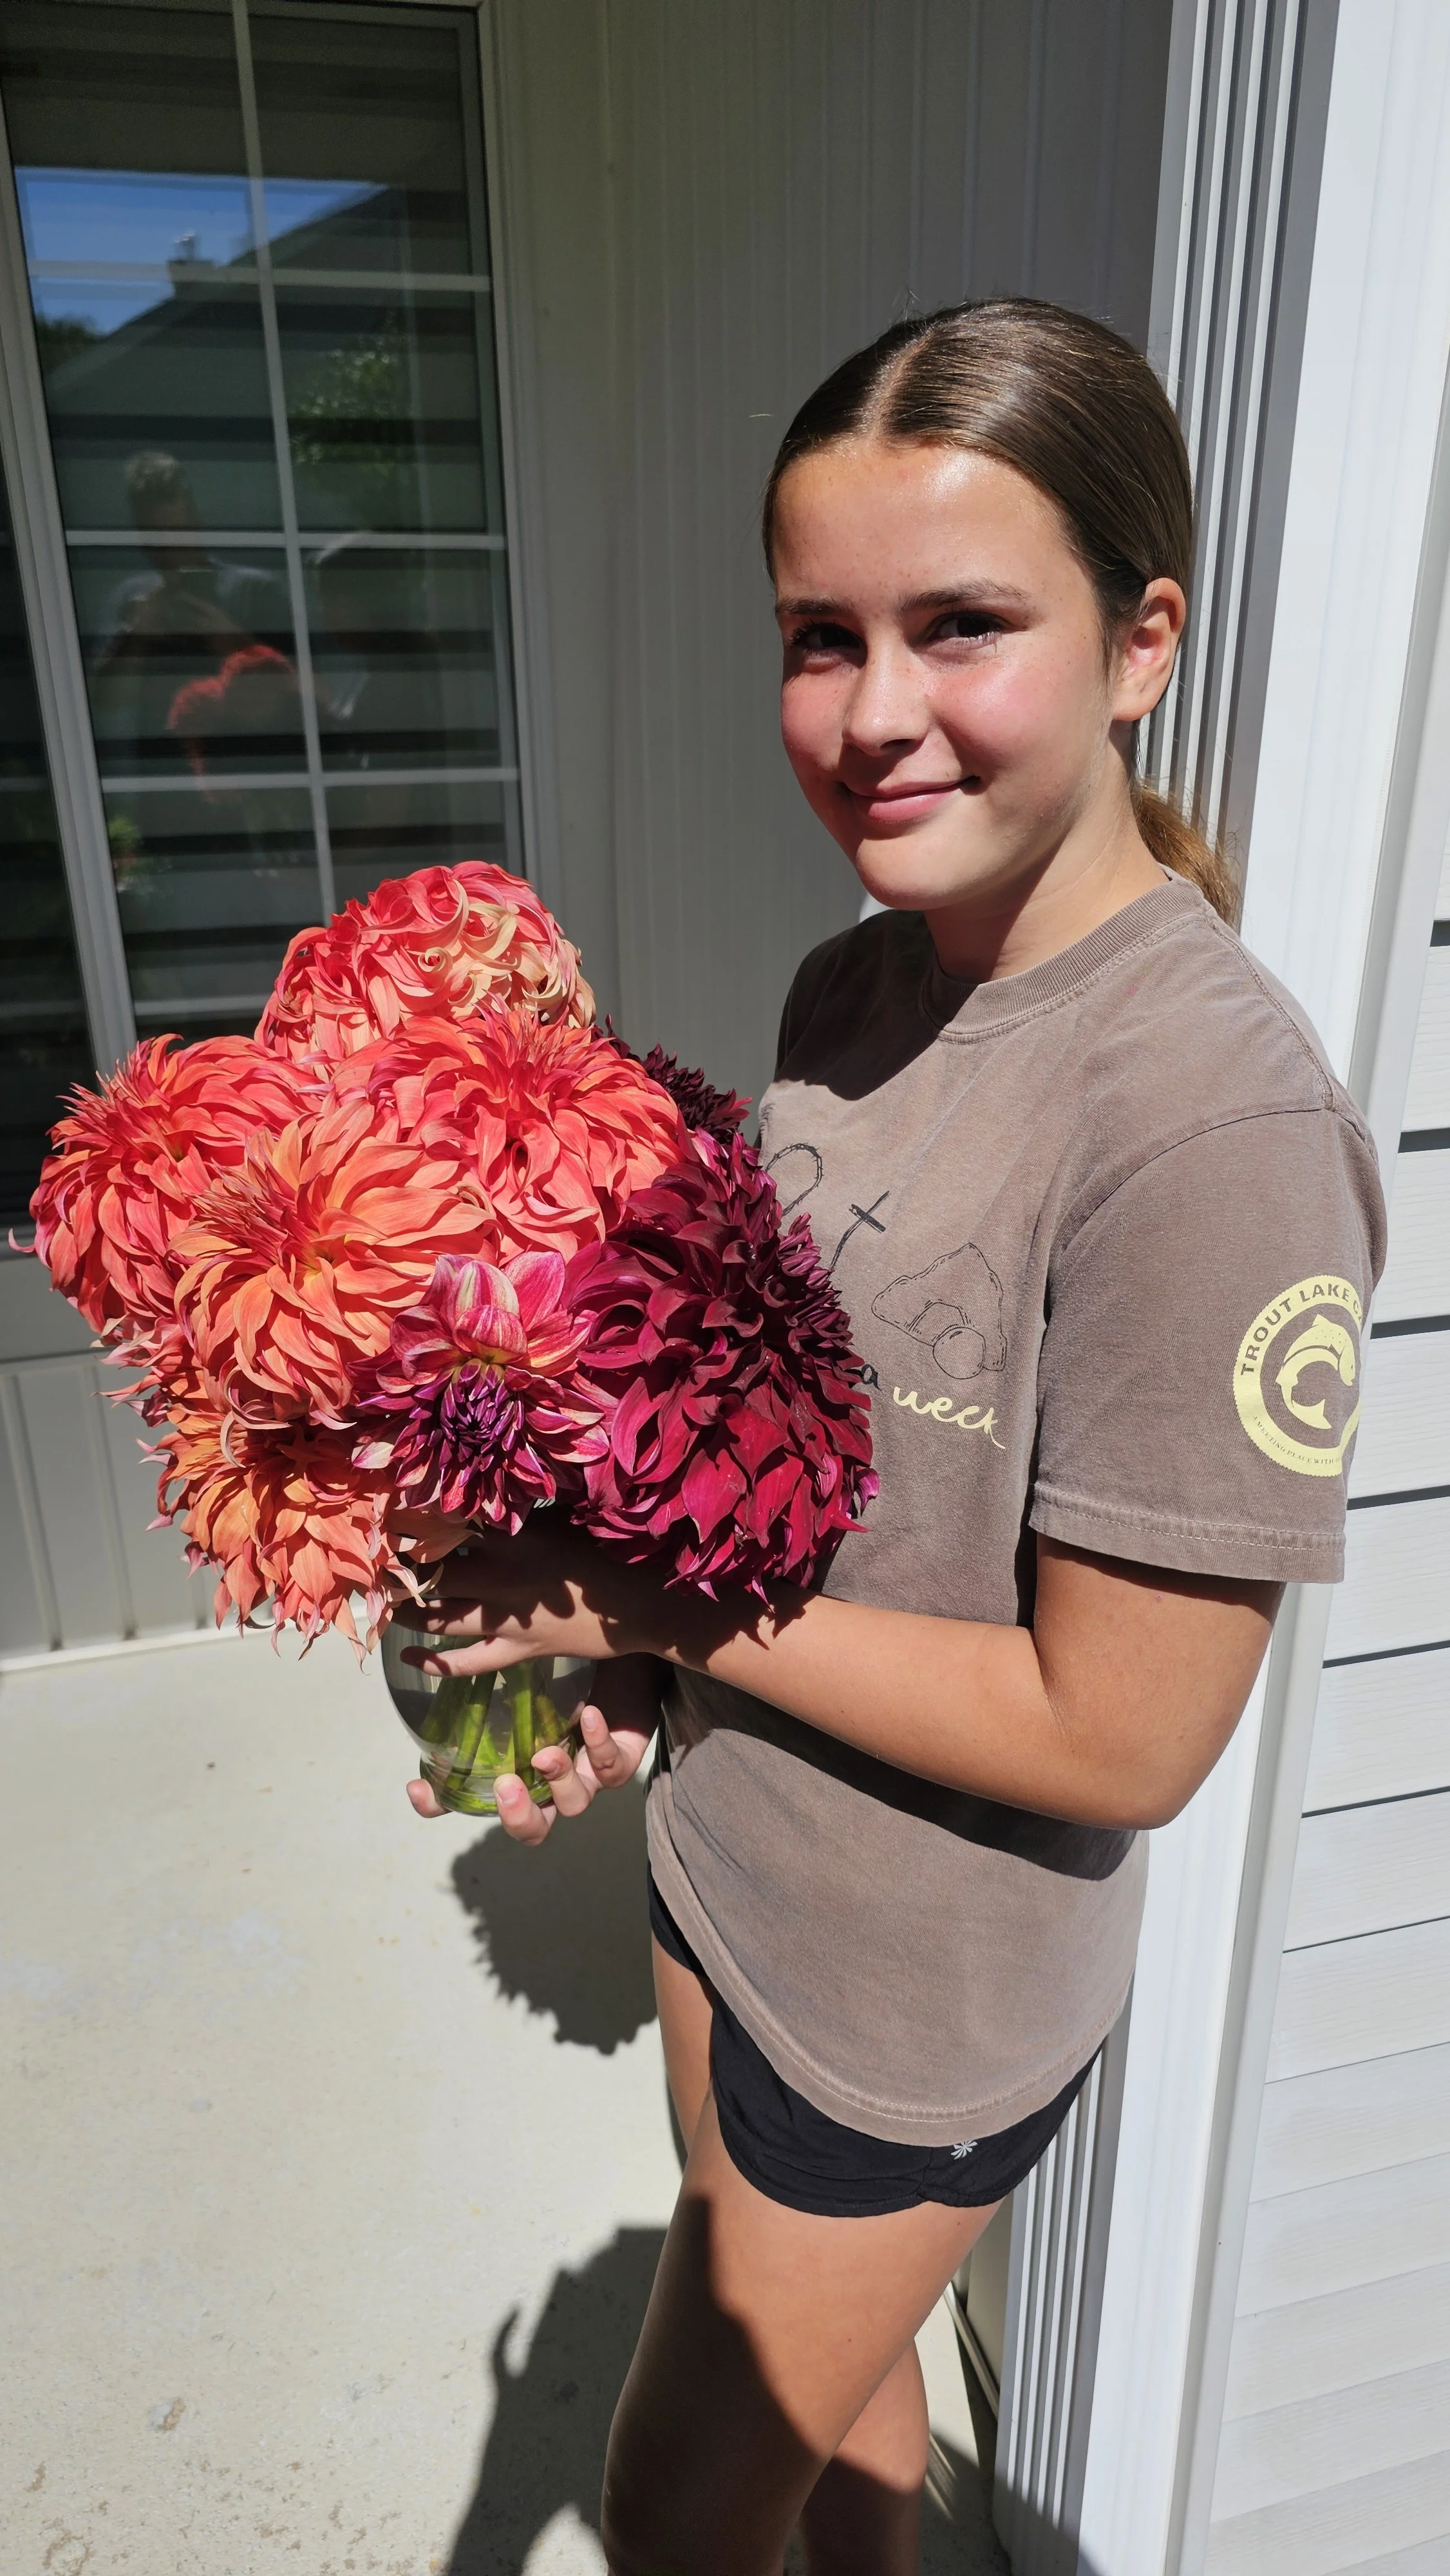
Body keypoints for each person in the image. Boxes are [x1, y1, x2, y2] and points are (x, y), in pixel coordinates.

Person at [396, 300, 1386, 2576]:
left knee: (674, 2508)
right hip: (739, 1882)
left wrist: (648, 1605)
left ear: (1141, 643)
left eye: (961, 627)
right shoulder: (857, 985)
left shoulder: (1207, 1128)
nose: (868, 716)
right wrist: (614, 1671)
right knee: (850, 2446)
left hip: (917, 2005)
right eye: (815, 638)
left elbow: (1120, 1732)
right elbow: (808, 1483)